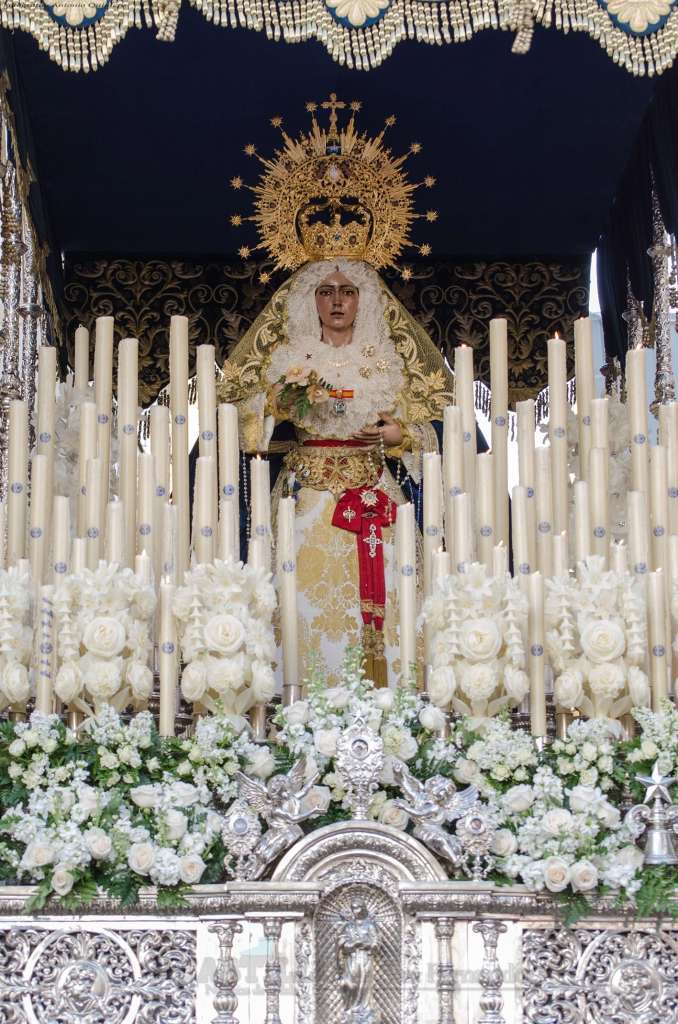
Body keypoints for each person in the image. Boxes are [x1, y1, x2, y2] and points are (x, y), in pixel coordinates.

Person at [219, 256, 460, 687]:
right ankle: (295, 693)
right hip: (305, 496)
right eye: (326, 292)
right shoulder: (289, 358)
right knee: (296, 593)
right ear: (311, 301)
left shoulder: (387, 360)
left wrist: (400, 435)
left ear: (362, 301)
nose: (337, 301)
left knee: (387, 591)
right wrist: (275, 406)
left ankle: (388, 693)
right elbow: (240, 423)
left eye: (347, 292)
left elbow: (436, 426)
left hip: (372, 490)